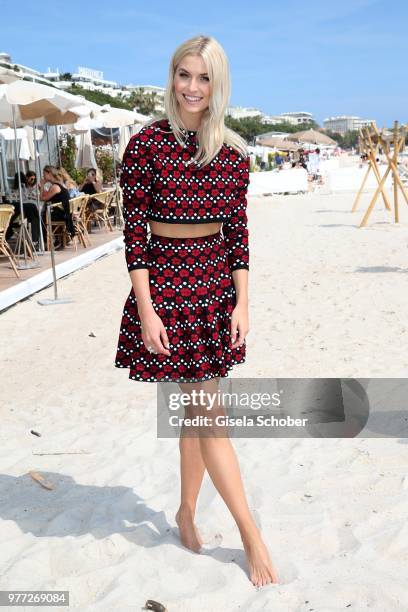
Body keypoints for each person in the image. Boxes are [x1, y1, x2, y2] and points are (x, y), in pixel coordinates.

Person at [115, 34, 279, 588]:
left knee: (200, 409)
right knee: (205, 411)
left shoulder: (232, 153)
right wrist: (146, 308)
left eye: (203, 77)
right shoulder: (144, 147)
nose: (192, 87)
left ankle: (191, 513)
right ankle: (248, 534)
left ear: (218, 85)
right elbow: (134, 233)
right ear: (172, 77)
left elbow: (238, 235)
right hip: (164, 288)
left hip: (212, 290)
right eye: (184, 75)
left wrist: (244, 300)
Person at [39, 165, 76, 247]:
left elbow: (42, 198)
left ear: (49, 174)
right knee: (43, 214)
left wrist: (42, 186)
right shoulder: (60, 184)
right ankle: (57, 240)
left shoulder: (55, 187)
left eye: (44, 174)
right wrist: (42, 188)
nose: (43, 176)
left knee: (40, 218)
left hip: (61, 215)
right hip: (65, 212)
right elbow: (47, 195)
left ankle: (45, 243)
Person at [5, 172, 41, 246]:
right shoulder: (23, 189)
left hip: (11, 216)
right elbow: (27, 198)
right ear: (25, 178)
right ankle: (36, 240)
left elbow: (9, 201)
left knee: (33, 212)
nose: (32, 180)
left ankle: (35, 240)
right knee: (35, 214)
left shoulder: (9, 190)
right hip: (22, 218)